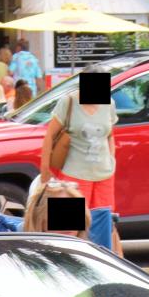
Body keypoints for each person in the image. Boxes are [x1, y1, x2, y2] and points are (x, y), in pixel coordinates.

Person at [40, 81, 116, 223]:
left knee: (103, 227)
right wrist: (44, 169)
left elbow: (110, 135)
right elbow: (50, 135)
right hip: (73, 177)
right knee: (67, 225)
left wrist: (111, 160)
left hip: (104, 177)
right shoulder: (68, 102)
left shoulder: (109, 103)